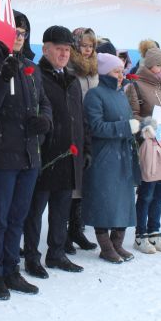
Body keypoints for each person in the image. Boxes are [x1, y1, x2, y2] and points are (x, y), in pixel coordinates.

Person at [0, 11, 52, 301]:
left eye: (23, 31)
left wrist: (45, 123)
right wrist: (3, 76)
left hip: (29, 155)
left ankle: (11, 269)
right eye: (13, 30)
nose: (18, 35)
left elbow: (44, 103)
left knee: (18, 217)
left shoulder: (31, 67)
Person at [23, 26, 86, 279]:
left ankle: (57, 252)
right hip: (44, 156)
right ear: (45, 48)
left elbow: (81, 120)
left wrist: (85, 150)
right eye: (59, 49)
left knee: (61, 210)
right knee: (34, 212)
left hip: (68, 156)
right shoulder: (36, 76)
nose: (64, 54)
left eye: (67, 49)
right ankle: (31, 257)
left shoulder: (72, 81)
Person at [83, 53, 139, 263]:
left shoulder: (121, 94)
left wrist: (142, 128)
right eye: (116, 71)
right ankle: (106, 246)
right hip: (104, 156)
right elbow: (96, 126)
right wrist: (125, 127)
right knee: (104, 202)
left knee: (123, 201)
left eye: (122, 71)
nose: (121, 74)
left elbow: (130, 119)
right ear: (105, 72)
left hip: (123, 154)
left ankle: (117, 244)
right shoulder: (95, 95)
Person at [125, 48, 161, 254]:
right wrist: (146, 123)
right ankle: (141, 235)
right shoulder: (136, 86)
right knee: (147, 193)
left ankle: (154, 232)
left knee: (160, 193)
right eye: (158, 65)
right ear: (148, 67)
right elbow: (132, 115)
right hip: (149, 146)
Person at [64, 27, 99, 255]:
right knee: (70, 187)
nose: (87, 50)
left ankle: (77, 229)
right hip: (74, 128)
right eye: (83, 45)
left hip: (91, 130)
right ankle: (64, 233)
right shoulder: (69, 68)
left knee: (83, 187)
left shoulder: (95, 70)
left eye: (91, 46)